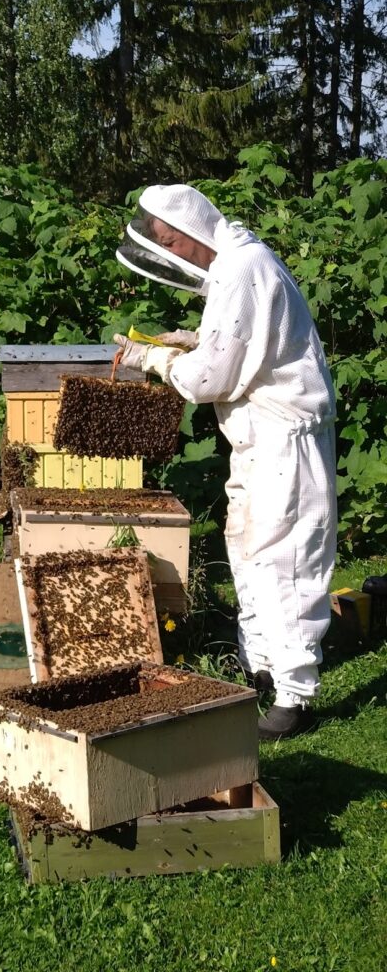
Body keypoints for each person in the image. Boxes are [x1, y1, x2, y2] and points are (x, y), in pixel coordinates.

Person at [113, 184, 337, 740]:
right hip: (261, 441)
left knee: (284, 560)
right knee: (249, 549)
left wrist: (159, 358)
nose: (172, 254)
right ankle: (261, 664)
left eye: (172, 242)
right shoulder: (241, 262)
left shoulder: (241, 266)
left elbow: (210, 379)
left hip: (286, 439)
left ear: (191, 231)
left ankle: (296, 695)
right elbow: (248, 344)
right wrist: (194, 338)